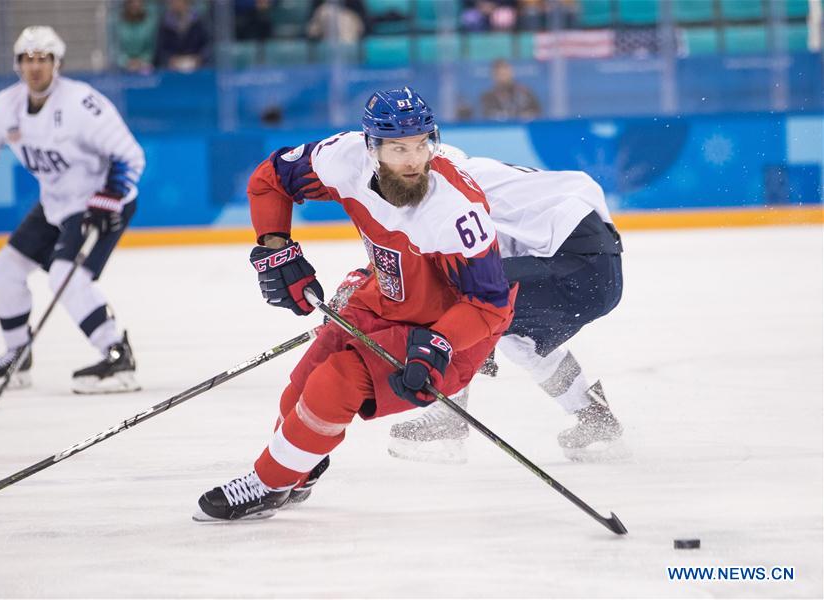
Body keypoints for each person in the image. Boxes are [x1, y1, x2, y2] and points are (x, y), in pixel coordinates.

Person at [194, 87, 516, 522]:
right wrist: (277, 249)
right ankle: (299, 468)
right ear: (371, 146)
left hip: (449, 329)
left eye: (422, 144)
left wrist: (439, 344)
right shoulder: (342, 159)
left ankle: (269, 483)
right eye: (399, 148)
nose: (413, 160)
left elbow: (490, 306)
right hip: (384, 292)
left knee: (337, 382)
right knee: (300, 391)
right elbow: (269, 179)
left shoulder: (456, 210)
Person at [0, 26, 145, 395]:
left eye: (43, 58)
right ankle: (17, 356)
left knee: (65, 276)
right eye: (28, 59)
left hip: (100, 202)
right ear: (18, 64)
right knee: (6, 268)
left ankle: (116, 353)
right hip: (55, 203)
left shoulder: (81, 103)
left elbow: (129, 155)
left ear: (56, 63)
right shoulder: (6, 106)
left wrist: (109, 196)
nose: (35, 67)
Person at [389, 145, 625, 463]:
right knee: (520, 337)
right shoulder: (487, 177)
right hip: (599, 269)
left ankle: (449, 416)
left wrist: (478, 329)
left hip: (577, 265)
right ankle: (593, 416)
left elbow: (452, 275)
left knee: (448, 304)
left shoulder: (451, 190)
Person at [154, 0, 211, 72]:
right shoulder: (164, 23)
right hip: (171, 69)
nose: (173, 3)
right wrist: (171, 60)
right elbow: (160, 50)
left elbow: (206, 46)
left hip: (196, 66)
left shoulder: (199, 21)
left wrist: (198, 59)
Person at [117, 0, 158, 74]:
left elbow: (152, 48)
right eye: (132, 2)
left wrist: (141, 62)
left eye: (138, 1)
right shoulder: (117, 23)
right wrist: (127, 62)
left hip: (145, 66)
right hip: (122, 69)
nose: (135, 4)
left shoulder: (150, 23)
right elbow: (114, 50)